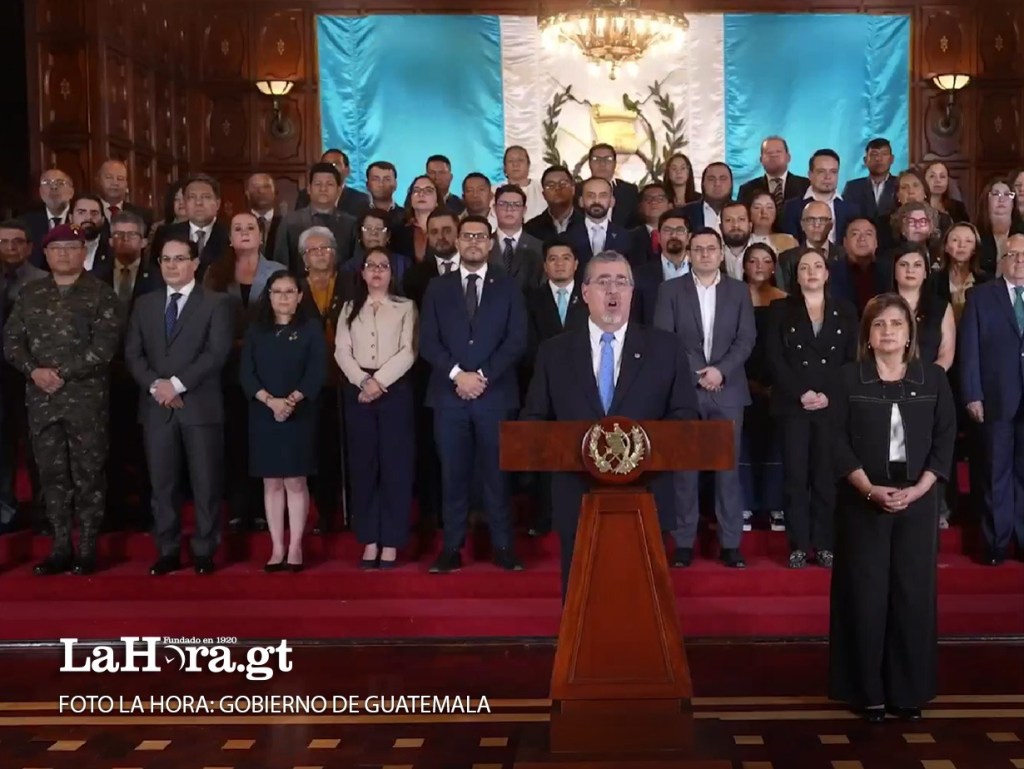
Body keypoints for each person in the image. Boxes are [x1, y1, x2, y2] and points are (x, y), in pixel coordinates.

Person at [522, 251, 699, 596]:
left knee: (642, 594)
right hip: (578, 495)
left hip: (646, 493)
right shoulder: (554, 352)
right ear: (585, 292)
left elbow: (684, 416)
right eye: (603, 282)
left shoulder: (665, 348)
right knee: (581, 593)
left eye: (622, 282)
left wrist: (642, 449)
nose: (613, 290)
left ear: (633, 292)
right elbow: (534, 420)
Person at [829, 293, 956, 722]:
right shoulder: (848, 379)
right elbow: (836, 442)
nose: (887, 331)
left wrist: (919, 491)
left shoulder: (933, 379)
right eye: (879, 324)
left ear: (909, 335)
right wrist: (868, 489)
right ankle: (867, 693)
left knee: (912, 595)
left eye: (896, 325)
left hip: (918, 502)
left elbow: (944, 441)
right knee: (865, 596)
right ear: (868, 334)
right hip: (863, 502)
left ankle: (907, 692)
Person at [4, 224, 121, 575]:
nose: (64, 255)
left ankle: (86, 548)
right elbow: (11, 342)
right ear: (46, 254)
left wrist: (61, 373)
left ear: (82, 252)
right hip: (41, 400)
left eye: (72, 249)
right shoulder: (30, 294)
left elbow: (104, 348)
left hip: (85, 400)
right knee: (51, 474)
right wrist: (34, 371)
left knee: (88, 474)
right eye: (57, 250)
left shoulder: (101, 294)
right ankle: (59, 546)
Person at [419, 215, 527, 573]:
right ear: (458, 242)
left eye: (481, 236)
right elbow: (428, 342)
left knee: (496, 474)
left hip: (494, 394)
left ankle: (502, 546)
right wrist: (457, 375)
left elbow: (516, 341)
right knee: (453, 474)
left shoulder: (508, 285)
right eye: (467, 236)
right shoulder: (438, 287)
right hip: (449, 397)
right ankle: (452, 547)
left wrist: (480, 376)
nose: (474, 242)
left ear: (490, 242)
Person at [124, 234, 233, 575]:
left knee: (205, 484)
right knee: (162, 485)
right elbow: (132, 352)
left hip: (199, 407)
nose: (172, 265)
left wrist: (178, 384)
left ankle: (204, 550)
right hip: (157, 407)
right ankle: (168, 550)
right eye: (166, 260)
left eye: (179, 258)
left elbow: (216, 353)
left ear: (195, 263)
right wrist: (157, 385)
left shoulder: (216, 303)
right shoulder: (144, 303)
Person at [654, 228, 756, 568]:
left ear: (720, 251)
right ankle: (684, 542)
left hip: (728, 390)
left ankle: (730, 543)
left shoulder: (739, 291)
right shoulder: (670, 291)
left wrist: (720, 371)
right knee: (685, 469)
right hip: (686, 390)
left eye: (711, 248)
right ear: (689, 253)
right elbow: (664, 338)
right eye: (698, 249)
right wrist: (701, 371)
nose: (705, 254)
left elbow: (746, 338)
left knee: (727, 469)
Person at [766, 248, 858, 567]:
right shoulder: (779, 309)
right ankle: (798, 545)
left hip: (830, 405)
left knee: (825, 477)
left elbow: (851, 359)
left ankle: (825, 543)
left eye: (818, 266)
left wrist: (829, 394)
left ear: (827, 273)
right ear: (797, 275)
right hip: (793, 405)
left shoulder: (845, 311)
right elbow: (774, 359)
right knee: (795, 476)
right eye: (805, 267)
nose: (811, 272)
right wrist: (800, 393)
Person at [335, 247, 417, 569]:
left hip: (393, 390)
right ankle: (369, 539)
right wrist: (362, 382)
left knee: (395, 466)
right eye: (372, 266)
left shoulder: (406, 307)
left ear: (391, 273)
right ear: (363, 272)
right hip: (358, 392)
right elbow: (342, 351)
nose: (377, 271)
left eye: (384, 266)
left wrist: (378, 382)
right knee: (364, 466)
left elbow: (408, 351)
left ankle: (392, 542)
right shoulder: (348, 309)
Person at [240, 270, 326, 572]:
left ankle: (295, 547)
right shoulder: (256, 330)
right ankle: (276, 548)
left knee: (295, 480)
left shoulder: (311, 329)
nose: (284, 298)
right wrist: (270, 401)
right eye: (277, 292)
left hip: (299, 412)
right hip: (264, 413)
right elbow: (246, 374)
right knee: (272, 482)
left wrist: (290, 401)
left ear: (300, 296)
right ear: (269, 296)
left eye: (290, 292)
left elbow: (317, 371)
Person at [959, 233, 1024, 565]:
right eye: (1012, 255)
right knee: (995, 472)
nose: (1019, 261)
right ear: (1002, 260)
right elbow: (969, 349)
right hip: (996, 397)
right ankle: (996, 545)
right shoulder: (981, 297)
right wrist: (973, 394)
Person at [740, 243, 786, 532]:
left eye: (766, 261)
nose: (759, 266)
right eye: (753, 260)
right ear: (744, 266)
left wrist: (774, 383)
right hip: (737, 379)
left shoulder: (784, 300)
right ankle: (743, 504)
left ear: (774, 267)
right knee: (741, 444)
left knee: (774, 443)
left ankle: (774, 505)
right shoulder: (731, 296)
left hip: (775, 383)